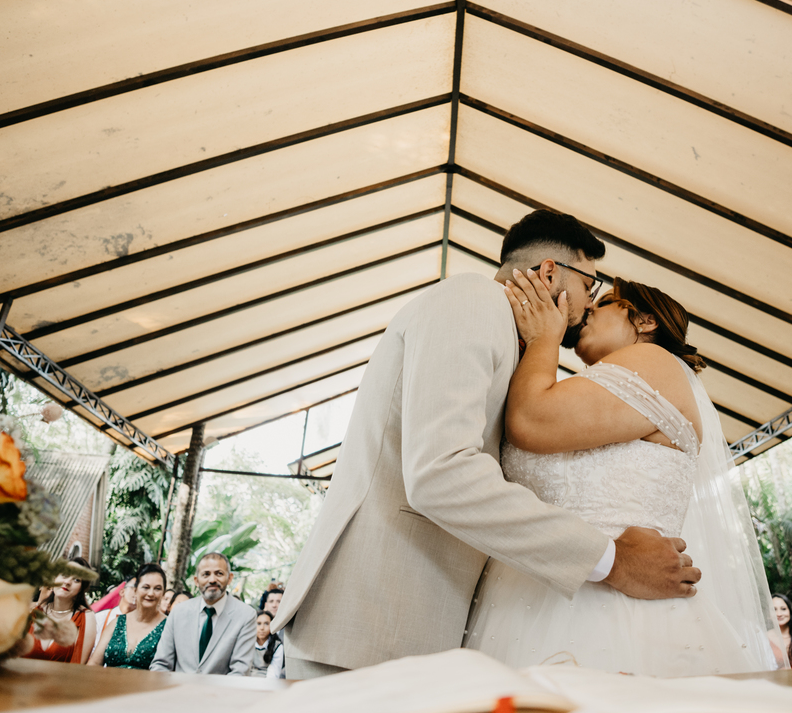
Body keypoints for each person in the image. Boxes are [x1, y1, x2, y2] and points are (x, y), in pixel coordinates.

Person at [273, 211, 699, 678]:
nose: (589, 303)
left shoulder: (522, 348)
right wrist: (610, 560)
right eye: (590, 286)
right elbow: (441, 472)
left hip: (433, 631)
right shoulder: (472, 301)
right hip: (370, 620)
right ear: (552, 272)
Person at [465, 274, 779, 676]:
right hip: (528, 596)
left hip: (614, 613)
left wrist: (544, 337)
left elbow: (530, 420)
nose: (588, 309)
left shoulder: (653, 360)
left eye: (605, 302)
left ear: (645, 321)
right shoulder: (595, 389)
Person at [150, 553, 256, 675]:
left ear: (230, 578)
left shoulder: (246, 615)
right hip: (178, 691)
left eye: (219, 574)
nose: (212, 580)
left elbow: (240, 671)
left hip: (221, 692)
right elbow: (161, 664)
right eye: (206, 574)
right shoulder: (178, 612)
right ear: (196, 580)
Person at [89, 564, 168, 669]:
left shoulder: (168, 626)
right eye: (146, 587)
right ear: (135, 590)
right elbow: (94, 663)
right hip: (108, 684)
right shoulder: (117, 622)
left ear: (163, 593)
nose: (151, 593)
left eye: (157, 589)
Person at [22, 557, 96, 664]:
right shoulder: (35, 611)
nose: (67, 582)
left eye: (76, 580)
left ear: (81, 588)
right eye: (64, 575)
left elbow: (78, 667)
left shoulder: (86, 617)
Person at [94, 576, 136, 650]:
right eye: (134, 587)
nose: (137, 593)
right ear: (122, 592)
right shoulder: (101, 617)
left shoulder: (143, 623)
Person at [768, 593, 792, 668]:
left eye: (783, 609)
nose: (779, 614)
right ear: (768, 614)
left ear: (790, 611)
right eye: (774, 609)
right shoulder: (764, 638)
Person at [250, 611, 284, 678]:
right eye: (258, 624)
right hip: (247, 681)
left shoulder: (277, 646)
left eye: (266, 624)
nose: (262, 628)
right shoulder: (248, 643)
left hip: (267, 682)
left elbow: (274, 673)